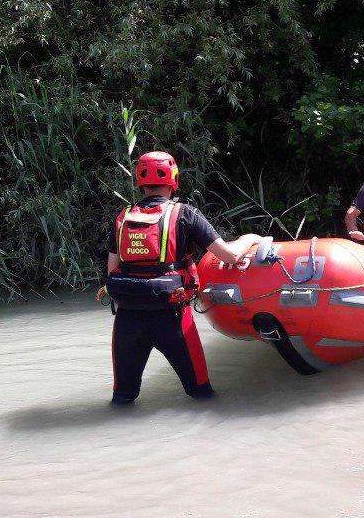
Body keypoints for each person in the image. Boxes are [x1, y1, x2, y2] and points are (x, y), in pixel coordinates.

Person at [104, 151, 263, 405]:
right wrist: (252, 239)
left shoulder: (122, 218)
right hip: (173, 318)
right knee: (201, 394)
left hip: (127, 321)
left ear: (140, 180)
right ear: (173, 179)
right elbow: (230, 255)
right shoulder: (185, 214)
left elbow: (113, 270)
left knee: (122, 399)